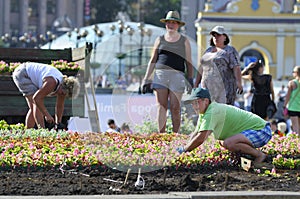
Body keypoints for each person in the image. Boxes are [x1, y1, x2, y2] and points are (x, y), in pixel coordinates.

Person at [177, 87, 272, 164]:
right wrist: (185, 148)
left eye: (196, 102)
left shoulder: (212, 112)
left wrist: (185, 150)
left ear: (206, 101)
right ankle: (249, 154)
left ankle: (259, 155)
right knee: (223, 142)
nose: (194, 106)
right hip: (255, 131)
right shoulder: (204, 113)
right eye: (192, 103)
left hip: (261, 130)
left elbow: (201, 138)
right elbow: (196, 133)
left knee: (228, 143)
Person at [141, 10, 194, 133]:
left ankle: (176, 135)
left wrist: (190, 79)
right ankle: (162, 135)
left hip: (177, 74)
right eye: (169, 22)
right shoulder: (159, 39)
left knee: (175, 107)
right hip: (161, 74)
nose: (171, 25)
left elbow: (189, 61)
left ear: (178, 25)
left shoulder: (184, 41)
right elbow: (153, 59)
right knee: (161, 106)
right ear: (165, 24)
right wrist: (146, 78)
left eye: (174, 23)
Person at [12, 62, 80, 129]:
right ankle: (42, 132)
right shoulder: (51, 82)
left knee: (33, 108)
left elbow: (59, 106)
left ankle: (28, 133)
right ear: (63, 86)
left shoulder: (62, 88)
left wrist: (58, 123)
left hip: (27, 73)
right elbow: (36, 98)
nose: (61, 95)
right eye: (62, 93)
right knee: (36, 106)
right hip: (23, 73)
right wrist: (47, 115)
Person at [194, 25, 243, 105]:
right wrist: (196, 84)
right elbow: (201, 68)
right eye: (214, 36)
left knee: (223, 112)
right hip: (207, 88)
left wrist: (239, 83)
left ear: (225, 37)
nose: (216, 38)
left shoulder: (229, 50)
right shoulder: (208, 51)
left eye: (218, 35)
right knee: (208, 110)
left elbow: (236, 67)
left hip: (224, 89)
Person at [283, 66, 300, 135]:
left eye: (293, 72)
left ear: (296, 73)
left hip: (293, 107)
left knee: (295, 128)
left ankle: (297, 144)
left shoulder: (292, 83)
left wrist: (284, 106)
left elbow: (288, 96)